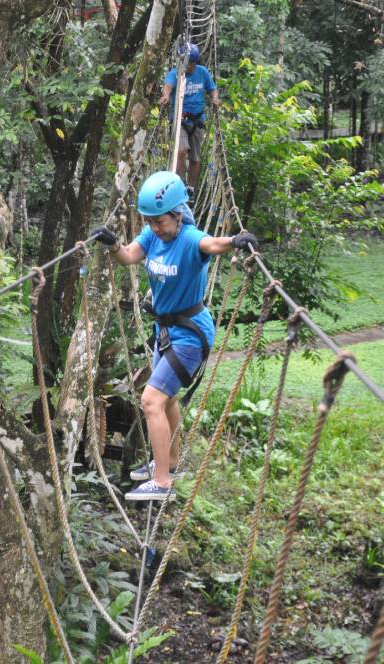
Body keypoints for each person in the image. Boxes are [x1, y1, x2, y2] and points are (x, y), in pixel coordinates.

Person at [92, 170, 256, 501]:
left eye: (161, 221)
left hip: (190, 336)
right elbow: (128, 257)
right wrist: (113, 245)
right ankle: (173, 463)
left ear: (178, 214)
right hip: (165, 331)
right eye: (150, 221)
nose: (155, 227)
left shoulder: (191, 237)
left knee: (151, 400)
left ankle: (162, 483)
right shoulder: (153, 237)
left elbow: (212, 243)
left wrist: (235, 240)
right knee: (167, 400)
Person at [159, 43, 219, 188]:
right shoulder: (175, 73)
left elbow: (212, 88)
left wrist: (214, 98)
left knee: (195, 159)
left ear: (195, 62)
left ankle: (190, 188)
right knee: (181, 150)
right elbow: (168, 86)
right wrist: (166, 96)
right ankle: (180, 185)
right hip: (180, 120)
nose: (189, 66)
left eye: (191, 63)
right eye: (186, 62)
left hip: (198, 120)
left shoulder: (203, 72)